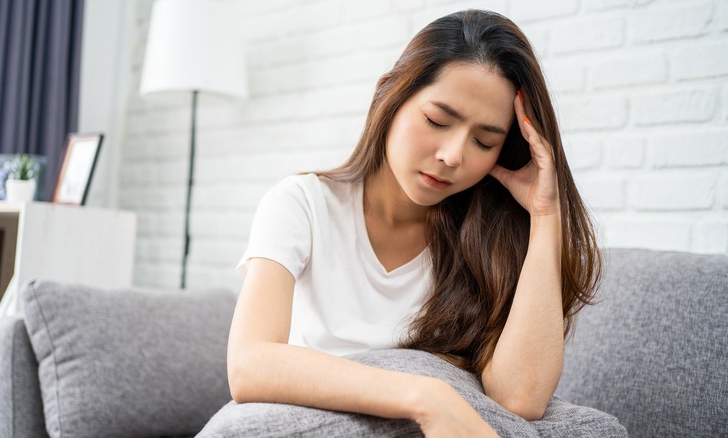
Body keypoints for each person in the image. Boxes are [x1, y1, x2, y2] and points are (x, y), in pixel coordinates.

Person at [226, 9, 601, 437]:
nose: (453, 155)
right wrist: (426, 397)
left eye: (485, 141)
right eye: (437, 121)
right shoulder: (303, 205)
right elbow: (249, 363)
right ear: (391, 97)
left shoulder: (487, 236)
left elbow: (519, 399)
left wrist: (545, 215)